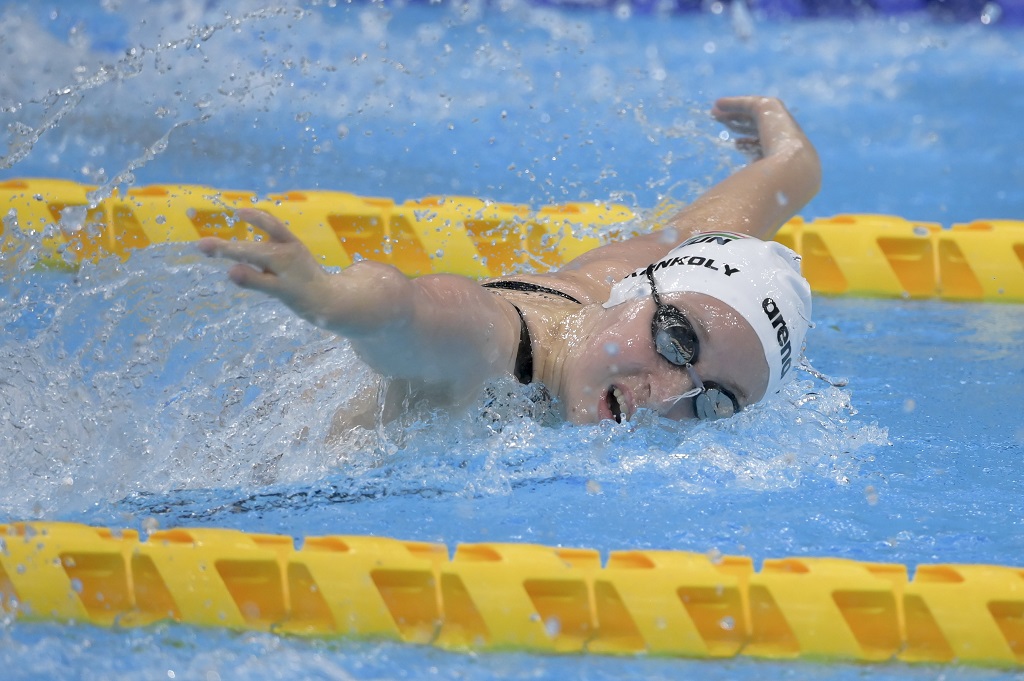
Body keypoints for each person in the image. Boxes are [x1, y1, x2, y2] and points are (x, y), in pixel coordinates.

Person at [198, 96, 820, 425]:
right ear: (636, 289)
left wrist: (787, 147)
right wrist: (329, 298)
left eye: (715, 402)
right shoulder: (493, 350)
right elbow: (406, 310)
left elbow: (790, 174)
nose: (669, 393)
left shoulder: (660, 278)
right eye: (678, 342)